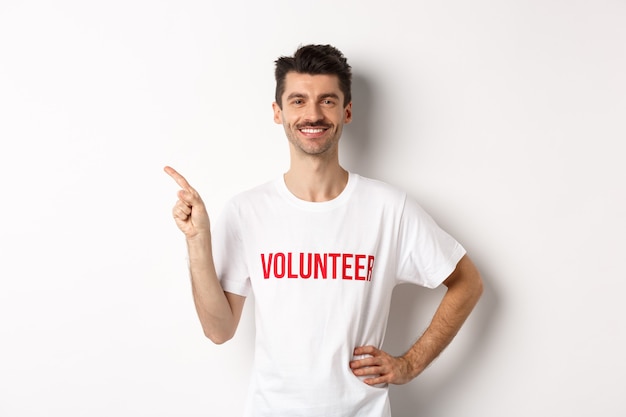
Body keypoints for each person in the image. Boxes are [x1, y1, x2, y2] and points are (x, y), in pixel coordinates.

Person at [164, 44, 483, 417]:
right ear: (277, 112)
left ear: (347, 111)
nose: (312, 114)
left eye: (327, 101)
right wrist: (198, 241)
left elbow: (467, 282)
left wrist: (409, 364)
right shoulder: (247, 211)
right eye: (298, 101)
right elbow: (219, 330)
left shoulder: (388, 208)